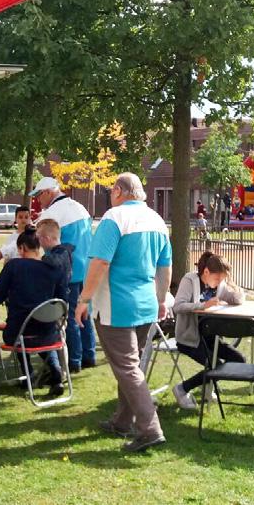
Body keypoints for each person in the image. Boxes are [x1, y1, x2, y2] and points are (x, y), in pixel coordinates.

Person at [75, 173, 171, 453]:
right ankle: (122, 421)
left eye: (111, 190)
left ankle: (149, 428)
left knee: (128, 368)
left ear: (118, 190)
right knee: (133, 366)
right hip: (145, 304)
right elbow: (165, 266)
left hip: (116, 305)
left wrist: (84, 299)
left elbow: (100, 262)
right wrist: (162, 298)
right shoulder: (157, 220)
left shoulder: (114, 218)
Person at [0, 226, 68, 396]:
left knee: (21, 331)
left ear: (21, 248)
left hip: (18, 333)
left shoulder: (14, 266)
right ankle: (55, 375)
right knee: (39, 329)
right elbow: (61, 301)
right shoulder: (53, 268)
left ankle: (29, 374)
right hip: (49, 333)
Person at [29, 176, 96, 374]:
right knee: (85, 313)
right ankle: (89, 354)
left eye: (39, 195)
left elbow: (41, 242)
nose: (38, 200)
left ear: (49, 192)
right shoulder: (79, 207)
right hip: (87, 270)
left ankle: (74, 361)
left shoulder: (51, 214)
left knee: (72, 316)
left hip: (68, 273)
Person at [171, 252, 245, 409]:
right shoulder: (189, 280)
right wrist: (202, 305)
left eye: (222, 279)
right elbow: (178, 306)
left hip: (210, 338)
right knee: (216, 365)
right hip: (189, 338)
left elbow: (238, 299)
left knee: (239, 360)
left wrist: (231, 284)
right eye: (217, 278)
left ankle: (207, 385)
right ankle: (182, 389)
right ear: (206, 272)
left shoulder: (219, 285)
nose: (219, 283)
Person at [36, 219, 74, 291]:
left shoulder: (62, 252)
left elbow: (55, 261)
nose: (38, 242)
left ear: (47, 238)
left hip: (62, 296)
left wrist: (39, 258)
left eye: (38, 238)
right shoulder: (63, 251)